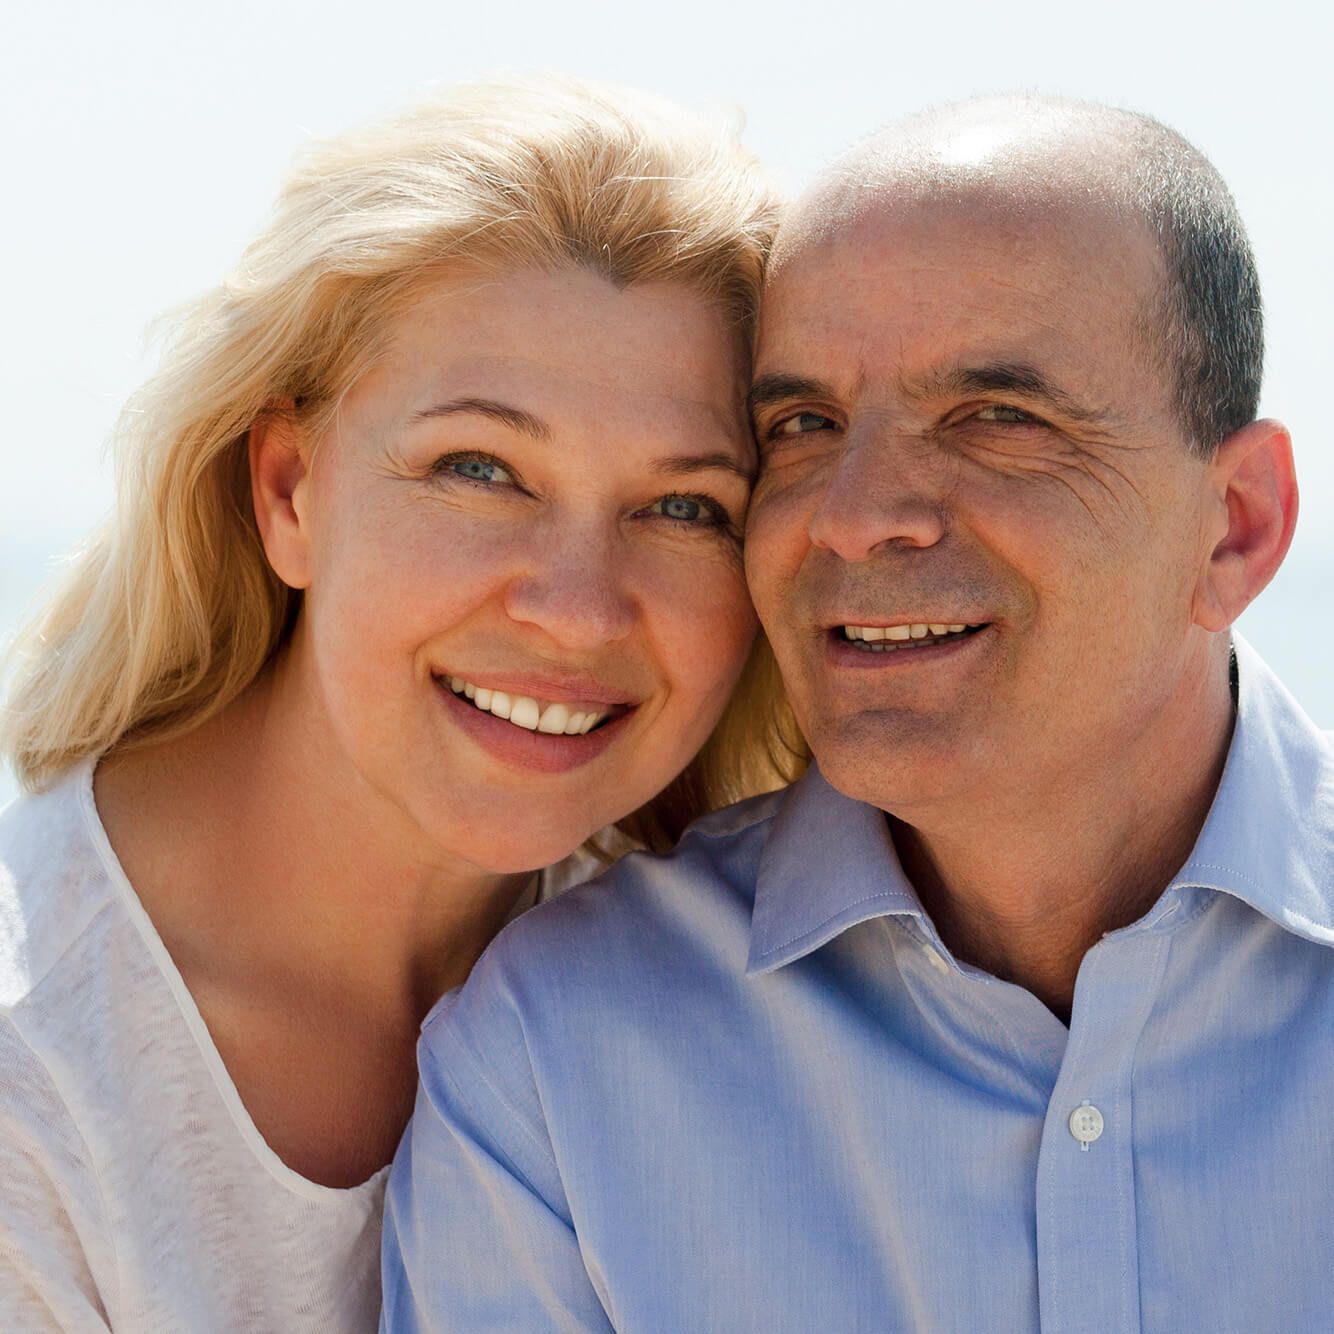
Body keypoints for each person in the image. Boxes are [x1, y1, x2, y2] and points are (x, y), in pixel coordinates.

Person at [381, 95, 1330, 1331]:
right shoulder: (555, 1056)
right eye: (803, 426)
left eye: (996, 418)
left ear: (1236, 525)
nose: (851, 511)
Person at [0, 76, 802, 1331]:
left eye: (686, 504)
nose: (580, 608)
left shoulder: (740, 981)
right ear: (287, 492)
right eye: (478, 469)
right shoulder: (30, 1080)